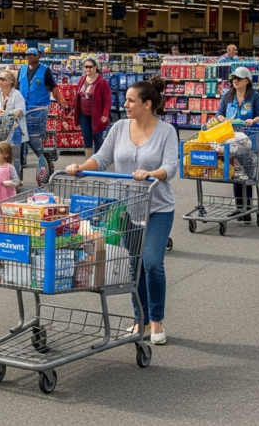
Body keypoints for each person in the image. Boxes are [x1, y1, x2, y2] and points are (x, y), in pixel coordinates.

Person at [65, 77, 178, 345]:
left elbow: (171, 166)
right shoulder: (119, 128)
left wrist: (152, 173)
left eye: (130, 101)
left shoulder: (166, 132)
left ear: (147, 104)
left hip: (158, 207)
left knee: (151, 262)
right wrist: (81, 167)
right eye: (125, 100)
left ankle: (157, 320)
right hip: (127, 208)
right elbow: (102, 158)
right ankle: (140, 319)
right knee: (135, 265)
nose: (124, 104)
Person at [216, 67, 259, 217]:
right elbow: (219, 113)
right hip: (231, 140)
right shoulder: (227, 96)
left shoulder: (254, 97)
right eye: (233, 78)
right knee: (235, 174)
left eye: (238, 78)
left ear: (247, 80)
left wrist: (254, 120)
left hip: (248, 140)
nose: (235, 81)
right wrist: (222, 119)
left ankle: (247, 208)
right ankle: (240, 208)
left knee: (248, 173)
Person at [16, 48, 68, 182]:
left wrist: (63, 103)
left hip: (39, 109)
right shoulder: (21, 70)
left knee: (34, 140)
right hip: (22, 109)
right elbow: (16, 89)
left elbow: (54, 89)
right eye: (28, 55)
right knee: (20, 141)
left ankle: (44, 164)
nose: (30, 57)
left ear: (38, 56)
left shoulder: (45, 71)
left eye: (33, 55)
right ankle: (20, 173)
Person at [73, 58, 112, 158]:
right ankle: (88, 161)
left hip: (97, 114)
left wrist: (105, 114)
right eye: (86, 67)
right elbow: (77, 95)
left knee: (97, 138)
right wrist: (75, 109)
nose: (88, 69)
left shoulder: (102, 82)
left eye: (90, 67)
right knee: (86, 137)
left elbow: (108, 100)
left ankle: (98, 161)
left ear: (95, 67)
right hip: (83, 114)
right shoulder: (82, 79)